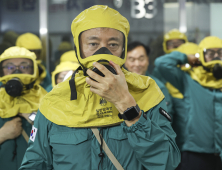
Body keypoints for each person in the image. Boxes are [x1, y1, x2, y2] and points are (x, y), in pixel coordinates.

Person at [19, 5, 180, 170]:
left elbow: (167, 163)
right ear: (78, 49)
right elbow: (35, 164)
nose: (103, 52)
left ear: (123, 49)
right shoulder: (54, 102)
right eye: (93, 44)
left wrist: (127, 105)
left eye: (113, 45)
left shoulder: (147, 91)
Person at [155, 36, 222, 170]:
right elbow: (162, 63)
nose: (215, 57)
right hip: (196, 153)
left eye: (220, 53)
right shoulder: (189, 81)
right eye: (210, 53)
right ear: (201, 55)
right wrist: (186, 58)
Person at [0, 46, 47, 170]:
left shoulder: (46, 100)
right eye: (10, 67)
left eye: (24, 66)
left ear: (34, 69)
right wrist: (2, 135)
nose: (17, 71)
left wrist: (34, 121)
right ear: (2, 70)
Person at [125, 41, 173, 117]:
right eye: (132, 59)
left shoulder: (159, 87)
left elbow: (166, 120)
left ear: (147, 60)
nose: (137, 64)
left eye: (141, 59)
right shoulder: (120, 86)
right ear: (125, 62)